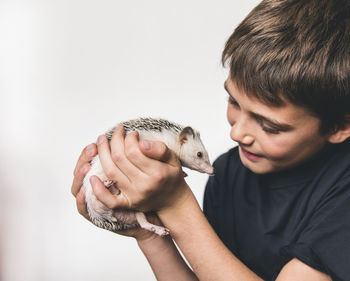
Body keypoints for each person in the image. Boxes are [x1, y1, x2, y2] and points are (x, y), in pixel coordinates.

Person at [71, 0, 350, 280]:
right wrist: (148, 233)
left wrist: (177, 205)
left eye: (269, 126)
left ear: (339, 126)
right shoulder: (231, 173)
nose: (237, 133)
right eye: (233, 101)